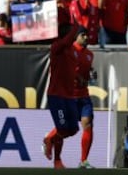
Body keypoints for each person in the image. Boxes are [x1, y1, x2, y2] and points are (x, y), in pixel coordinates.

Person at [42, 22, 78, 169]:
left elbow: (71, 70)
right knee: (62, 128)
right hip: (57, 95)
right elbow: (67, 40)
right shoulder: (56, 46)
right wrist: (76, 27)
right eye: (70, 32)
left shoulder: (72, 51)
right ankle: (57, 161)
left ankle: (49, 138)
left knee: (73, 129)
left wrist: (80, 78)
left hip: (69, 96)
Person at [72, 27, 96, 168]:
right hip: (70, 95)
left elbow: (87, 72)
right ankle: (48, 139)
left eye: (87, 35)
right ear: (76, 37)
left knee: (88, 123)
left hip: (84, 95)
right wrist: (79, 77)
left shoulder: (89, 54)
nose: (86, 37)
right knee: (66, 129)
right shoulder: (70, 51)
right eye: (83, 35)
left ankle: (83, 161)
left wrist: (91, 75)